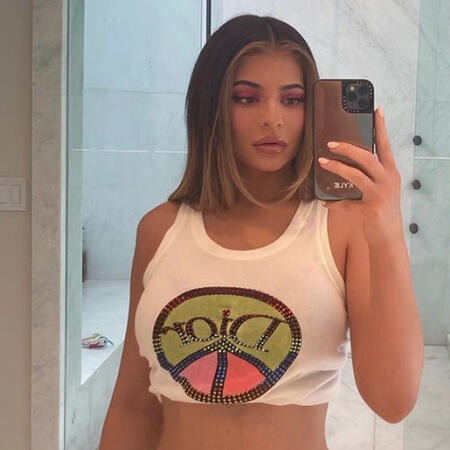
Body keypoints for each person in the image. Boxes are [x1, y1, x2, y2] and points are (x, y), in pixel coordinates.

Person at [99, 14, 424, 450]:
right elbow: (132, 405)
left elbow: (394, 401)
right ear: (211, 106)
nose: (273, 118)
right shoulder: (160, 229)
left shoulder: (341, 228)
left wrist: (387, 234)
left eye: (292, 100)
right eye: (246, 98)